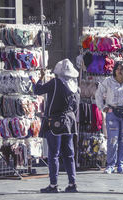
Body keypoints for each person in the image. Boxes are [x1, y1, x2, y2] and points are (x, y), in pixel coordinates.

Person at [31, 59, 80, 193]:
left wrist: (40, 78)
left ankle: (53, 185)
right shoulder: (75, 86)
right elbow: (76, 106)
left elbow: (38, 90)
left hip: (56, 121)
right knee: (69, 154)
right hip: (70, 121)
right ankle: (72, 183)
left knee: (54, 154)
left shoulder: (55, 82)